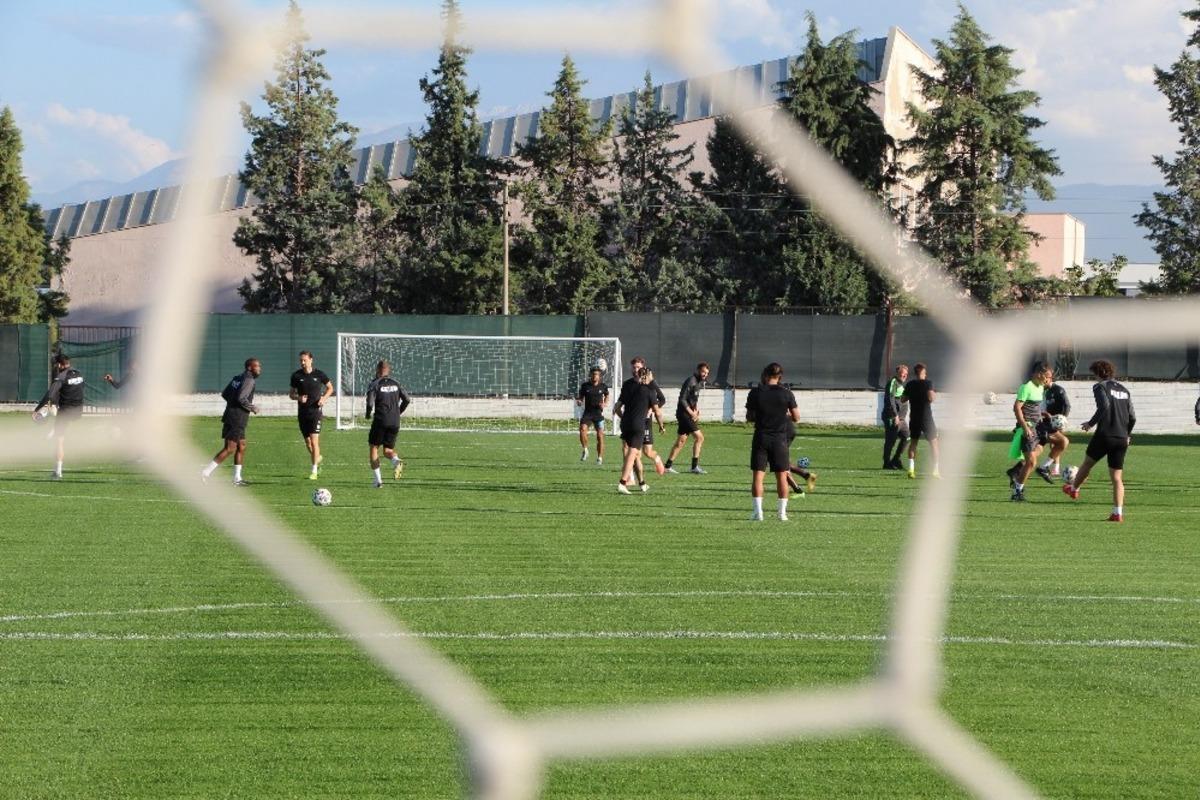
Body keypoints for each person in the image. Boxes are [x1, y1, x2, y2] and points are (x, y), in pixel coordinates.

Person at [1063, 360, 1136, 522]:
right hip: (1122, 438)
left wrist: (1090, 423)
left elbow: (1104, 406)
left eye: (1093, 374)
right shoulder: (1124, 390)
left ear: (1098, 373)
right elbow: (1132, 417)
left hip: (1105, 435)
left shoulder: (1100, 387)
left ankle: (1074, 488)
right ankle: (1117, 513)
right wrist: (1128, 434)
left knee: (1087, 463)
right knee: (1117, 478)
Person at [746, 362, 801, 521]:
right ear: (780, 376)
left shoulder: (755, 393)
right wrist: (781, 416)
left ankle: (758, 513)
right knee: (782, 476)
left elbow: (749, 417)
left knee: (758, 476)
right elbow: (796, 417)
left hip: (761, 437)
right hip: (780, 439)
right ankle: (782, 514)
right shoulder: (786, 393)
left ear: (765, 375)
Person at [202, 358, 261, 485]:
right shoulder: (249, 380)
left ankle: (237, 478)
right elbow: (241, 398)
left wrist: (232, 405)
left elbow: (225, 394)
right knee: (229, 448)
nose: (259, 369)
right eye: (256, 366)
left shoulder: (238, 378)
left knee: (242, 445)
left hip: (231, 415)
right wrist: (253, 408)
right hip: (237, 418)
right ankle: (205, 473)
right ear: (249, 367)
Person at [615, 356, 666, 490]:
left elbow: (662, 399)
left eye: (638, 367)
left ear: (643, 369)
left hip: (643, 421)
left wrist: (649, 409)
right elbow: (618, 406)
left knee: (645, 452)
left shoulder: (651, 386)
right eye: (634, 367)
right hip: (635, 423)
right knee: (631, 452)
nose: (636, 369)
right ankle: (626, 480)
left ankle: (642, 481)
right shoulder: (629, 385)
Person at [1005, 362, 1054, 501]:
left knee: (1060, 442)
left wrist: (1043, 413)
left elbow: (1033, 406)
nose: (1048, 380)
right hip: (1028, 428)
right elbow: (1017, 408)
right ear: (1039, 374)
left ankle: (1017, 474)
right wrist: (1025, 427)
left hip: (1039, 426)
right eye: (1047, 377)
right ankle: (1017, 491)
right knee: (1031, 462)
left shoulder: (1040, 387)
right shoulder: (1026, 387)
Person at [32, 353, 85, 480]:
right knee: (62, 425)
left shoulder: (60, 377)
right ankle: (55, 430)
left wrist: (37, 409)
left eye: (56, 364)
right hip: (78, 410)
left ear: (59, 364)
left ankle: (58, 472)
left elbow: (49, 395)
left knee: (59, 440)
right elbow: (80, 388)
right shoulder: (79, 374)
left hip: (66, 411)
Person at [364, 360, 411, 488]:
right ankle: (396, 461)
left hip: (380, 420)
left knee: (374, 447)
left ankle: (378, 481)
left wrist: (368, 414)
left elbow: (369, 403)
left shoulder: (375, 384)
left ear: (377, 370)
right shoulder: (396, 383)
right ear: (388, 370)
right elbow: (407, 399)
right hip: (395, 421)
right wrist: (398, 412)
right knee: (387, 450)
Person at [289, 350, 333, 480]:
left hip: (316, 413)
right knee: (308, 443)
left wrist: (324, 399)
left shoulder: (319, 374)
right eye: (301, 360)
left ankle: (314, 470)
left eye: (305, 360)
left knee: (314, 442)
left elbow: (330, 388)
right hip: (302, 414)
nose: (302, 362)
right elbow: (291, 394)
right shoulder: (296, 376)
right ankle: (317, 458)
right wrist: (298, 398)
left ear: (311, 360)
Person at [665, 362, 710, 474]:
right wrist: (691, 413)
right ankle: (694, 467)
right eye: (703, 372)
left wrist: (696, 411)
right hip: (684, 414)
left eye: (707, 373)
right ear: (698, 370)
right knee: (700, 438)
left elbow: (693, 400)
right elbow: (682, 399)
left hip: (688, 414)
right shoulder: (691, 381)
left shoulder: (699, 383)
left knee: (681, 441)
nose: (705, 374)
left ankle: (667, 466)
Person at [903, 362, 940, 479]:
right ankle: (935, 471)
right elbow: (931, 398)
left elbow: (903, 399)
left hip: (914, 417)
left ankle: (911, 470)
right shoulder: (928, 383)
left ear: (915, 373)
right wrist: (934, 394)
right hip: (926, 418)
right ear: (924, 373)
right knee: (934, 444)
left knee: (913, 443)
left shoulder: (910, 384)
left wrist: (912, 395)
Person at [576, 367, 609, 465]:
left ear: (599, 376)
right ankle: (585, 450)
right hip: (588, 413)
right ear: (590, 375)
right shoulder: (585, 386)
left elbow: (607, 395)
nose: (594, 376)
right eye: (593, 374)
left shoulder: (603, 386)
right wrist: (579, 401)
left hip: (598, 414)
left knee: (600, 436)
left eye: (596, 374)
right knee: (582, 429)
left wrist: (605, 403)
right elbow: (580, 397)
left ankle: (599, 458)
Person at [1041, 370, 1072, 477]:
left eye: (1045, 378)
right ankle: (1053, 468)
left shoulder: (1058, 390)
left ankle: (1054, 468)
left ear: (1050, 379)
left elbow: (1067, 406)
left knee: (1058, 443)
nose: (1042, 381)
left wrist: (1061, 420)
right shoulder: (1043, 390)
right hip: (1046, 420)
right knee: (1055, 443)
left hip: (1056, 422)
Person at [881, 364, 909, 469]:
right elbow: (890, 399)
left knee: (907, 436)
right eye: (902, 374)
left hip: (901, 419)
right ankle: (886, 463)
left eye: (906, 374)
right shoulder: (893, 383)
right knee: (891, 440)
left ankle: (896, 459)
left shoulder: (902, 384)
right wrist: (895, 415)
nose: (904, 376)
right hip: (892, 418)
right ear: (897, 373)